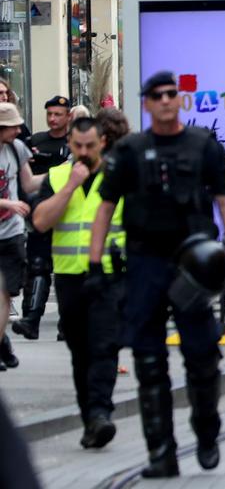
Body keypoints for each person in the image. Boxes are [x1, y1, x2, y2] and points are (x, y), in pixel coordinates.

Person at [89, 72, 225, 479]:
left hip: (192, 263)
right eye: (156, 95)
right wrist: (94, 263)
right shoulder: (130, 151)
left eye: (171, 94)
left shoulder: (203, 145)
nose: (164, 100)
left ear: (179, 99)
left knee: (203, 354)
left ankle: (206, 431)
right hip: (145, 262)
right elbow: (105, 207)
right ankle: (161, 452)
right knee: (148, 359)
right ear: (146, 103)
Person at [28, 116, 122, 447]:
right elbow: (40, 222)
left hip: (109, 276)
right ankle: (90, 419)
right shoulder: (57, 176)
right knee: (80, 351)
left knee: (104, 345)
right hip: (69, 278)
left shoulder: (117, 175)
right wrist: (69, 186)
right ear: (69, 144)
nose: (83, 152)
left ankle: (101, 413)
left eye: (90, 146)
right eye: (77, 146)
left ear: (102, 143)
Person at [14, 94, 71, 342]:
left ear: (68, 116)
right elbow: (23, 175)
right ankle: (31, 319)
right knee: (37, 266)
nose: (53, 119)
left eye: (58, 114)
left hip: (69, 212)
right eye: (49, 114)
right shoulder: (35, 141)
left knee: (68, 273)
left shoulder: (75, 142)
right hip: (40, 209)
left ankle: (67, 324)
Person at [0, 103, 46, 375]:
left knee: (6, 292)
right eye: (13, 126)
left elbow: (28, 184)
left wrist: (63, 172)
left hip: (12, 232)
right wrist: (8, 203)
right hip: (9, 220)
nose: (19, 130)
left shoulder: (17, 148)